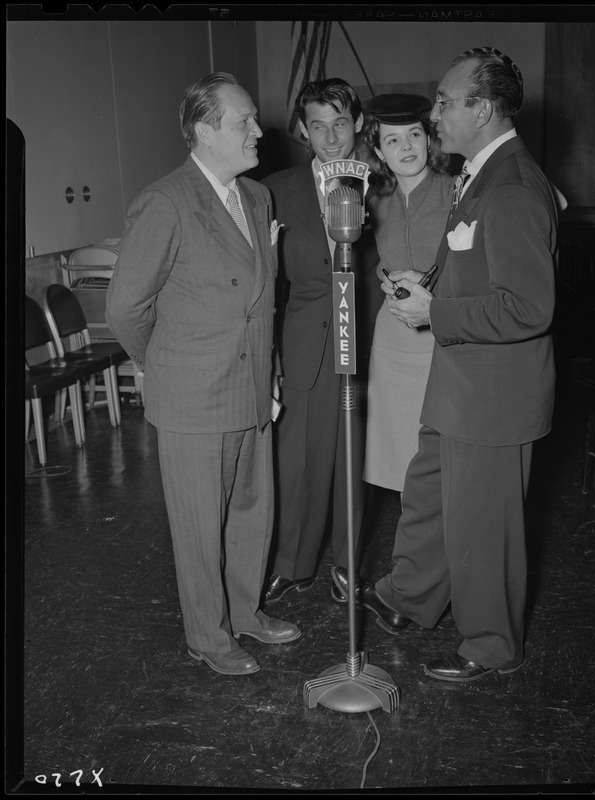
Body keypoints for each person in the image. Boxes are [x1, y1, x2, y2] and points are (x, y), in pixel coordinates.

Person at [361, 47, 558, 682]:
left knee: (484, 525)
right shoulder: (480, 173)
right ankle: (409, 597)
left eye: (445, 103)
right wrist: (430, 287)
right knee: (427, 496)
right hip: (459, 383)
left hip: (493, 397)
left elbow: (528, 307)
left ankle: (492, 646)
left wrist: (433, 313)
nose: (435, 113)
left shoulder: (514, 185)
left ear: (483, 109)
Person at [106, 73, 300, 677]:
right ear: (203, 130)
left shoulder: (258, 197)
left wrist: (269, 373)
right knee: (199, 526)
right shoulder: (166, 201)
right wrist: (162, 364)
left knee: (250, 513)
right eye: (241, 120)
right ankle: (207, 636)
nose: (256, 129)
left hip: (250, 386)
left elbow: (264, 297)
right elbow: (124, 308)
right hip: (192, 393)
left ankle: (245, 613)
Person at [261, 78, 380, 606]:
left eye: (339, 123)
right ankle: (293, 562)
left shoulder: (384, 180)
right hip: (307, 340)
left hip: (371, 340)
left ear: (356, 122)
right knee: (300, 460)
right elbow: (268, 283)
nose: (330, 138)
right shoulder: (275, 190)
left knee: (354, 460)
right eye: (317, 126)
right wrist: (272, 356)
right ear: (304, 131)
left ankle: (346, 566)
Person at [358, 94, 454, 494]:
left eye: (414, 134)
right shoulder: (372, 198)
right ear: (379, 150)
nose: (406, 147)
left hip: (445, 335)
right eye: (392, 140)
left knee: (444, 458)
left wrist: (434, 279)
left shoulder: (458, 189)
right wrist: (387, 275)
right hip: (394, 338)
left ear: (429, 139)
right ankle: (414, 547)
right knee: (399, 458)